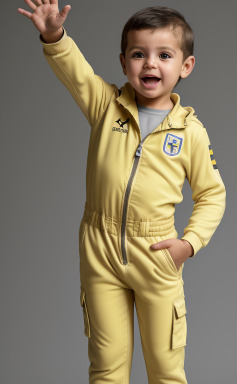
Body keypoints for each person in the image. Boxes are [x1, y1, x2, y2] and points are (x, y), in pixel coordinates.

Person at [18, 2, 226, 383]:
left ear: (185, 66)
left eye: (164, 55)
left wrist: (189, 243)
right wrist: (53, 35)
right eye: (138, 54)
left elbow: (212, 194)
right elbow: (76, 74)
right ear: (123, 61)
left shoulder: (190, 132)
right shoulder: (106, 106)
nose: (150, 64)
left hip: (156, 254)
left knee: (165, 370)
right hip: (100, 251)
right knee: (106, 367)